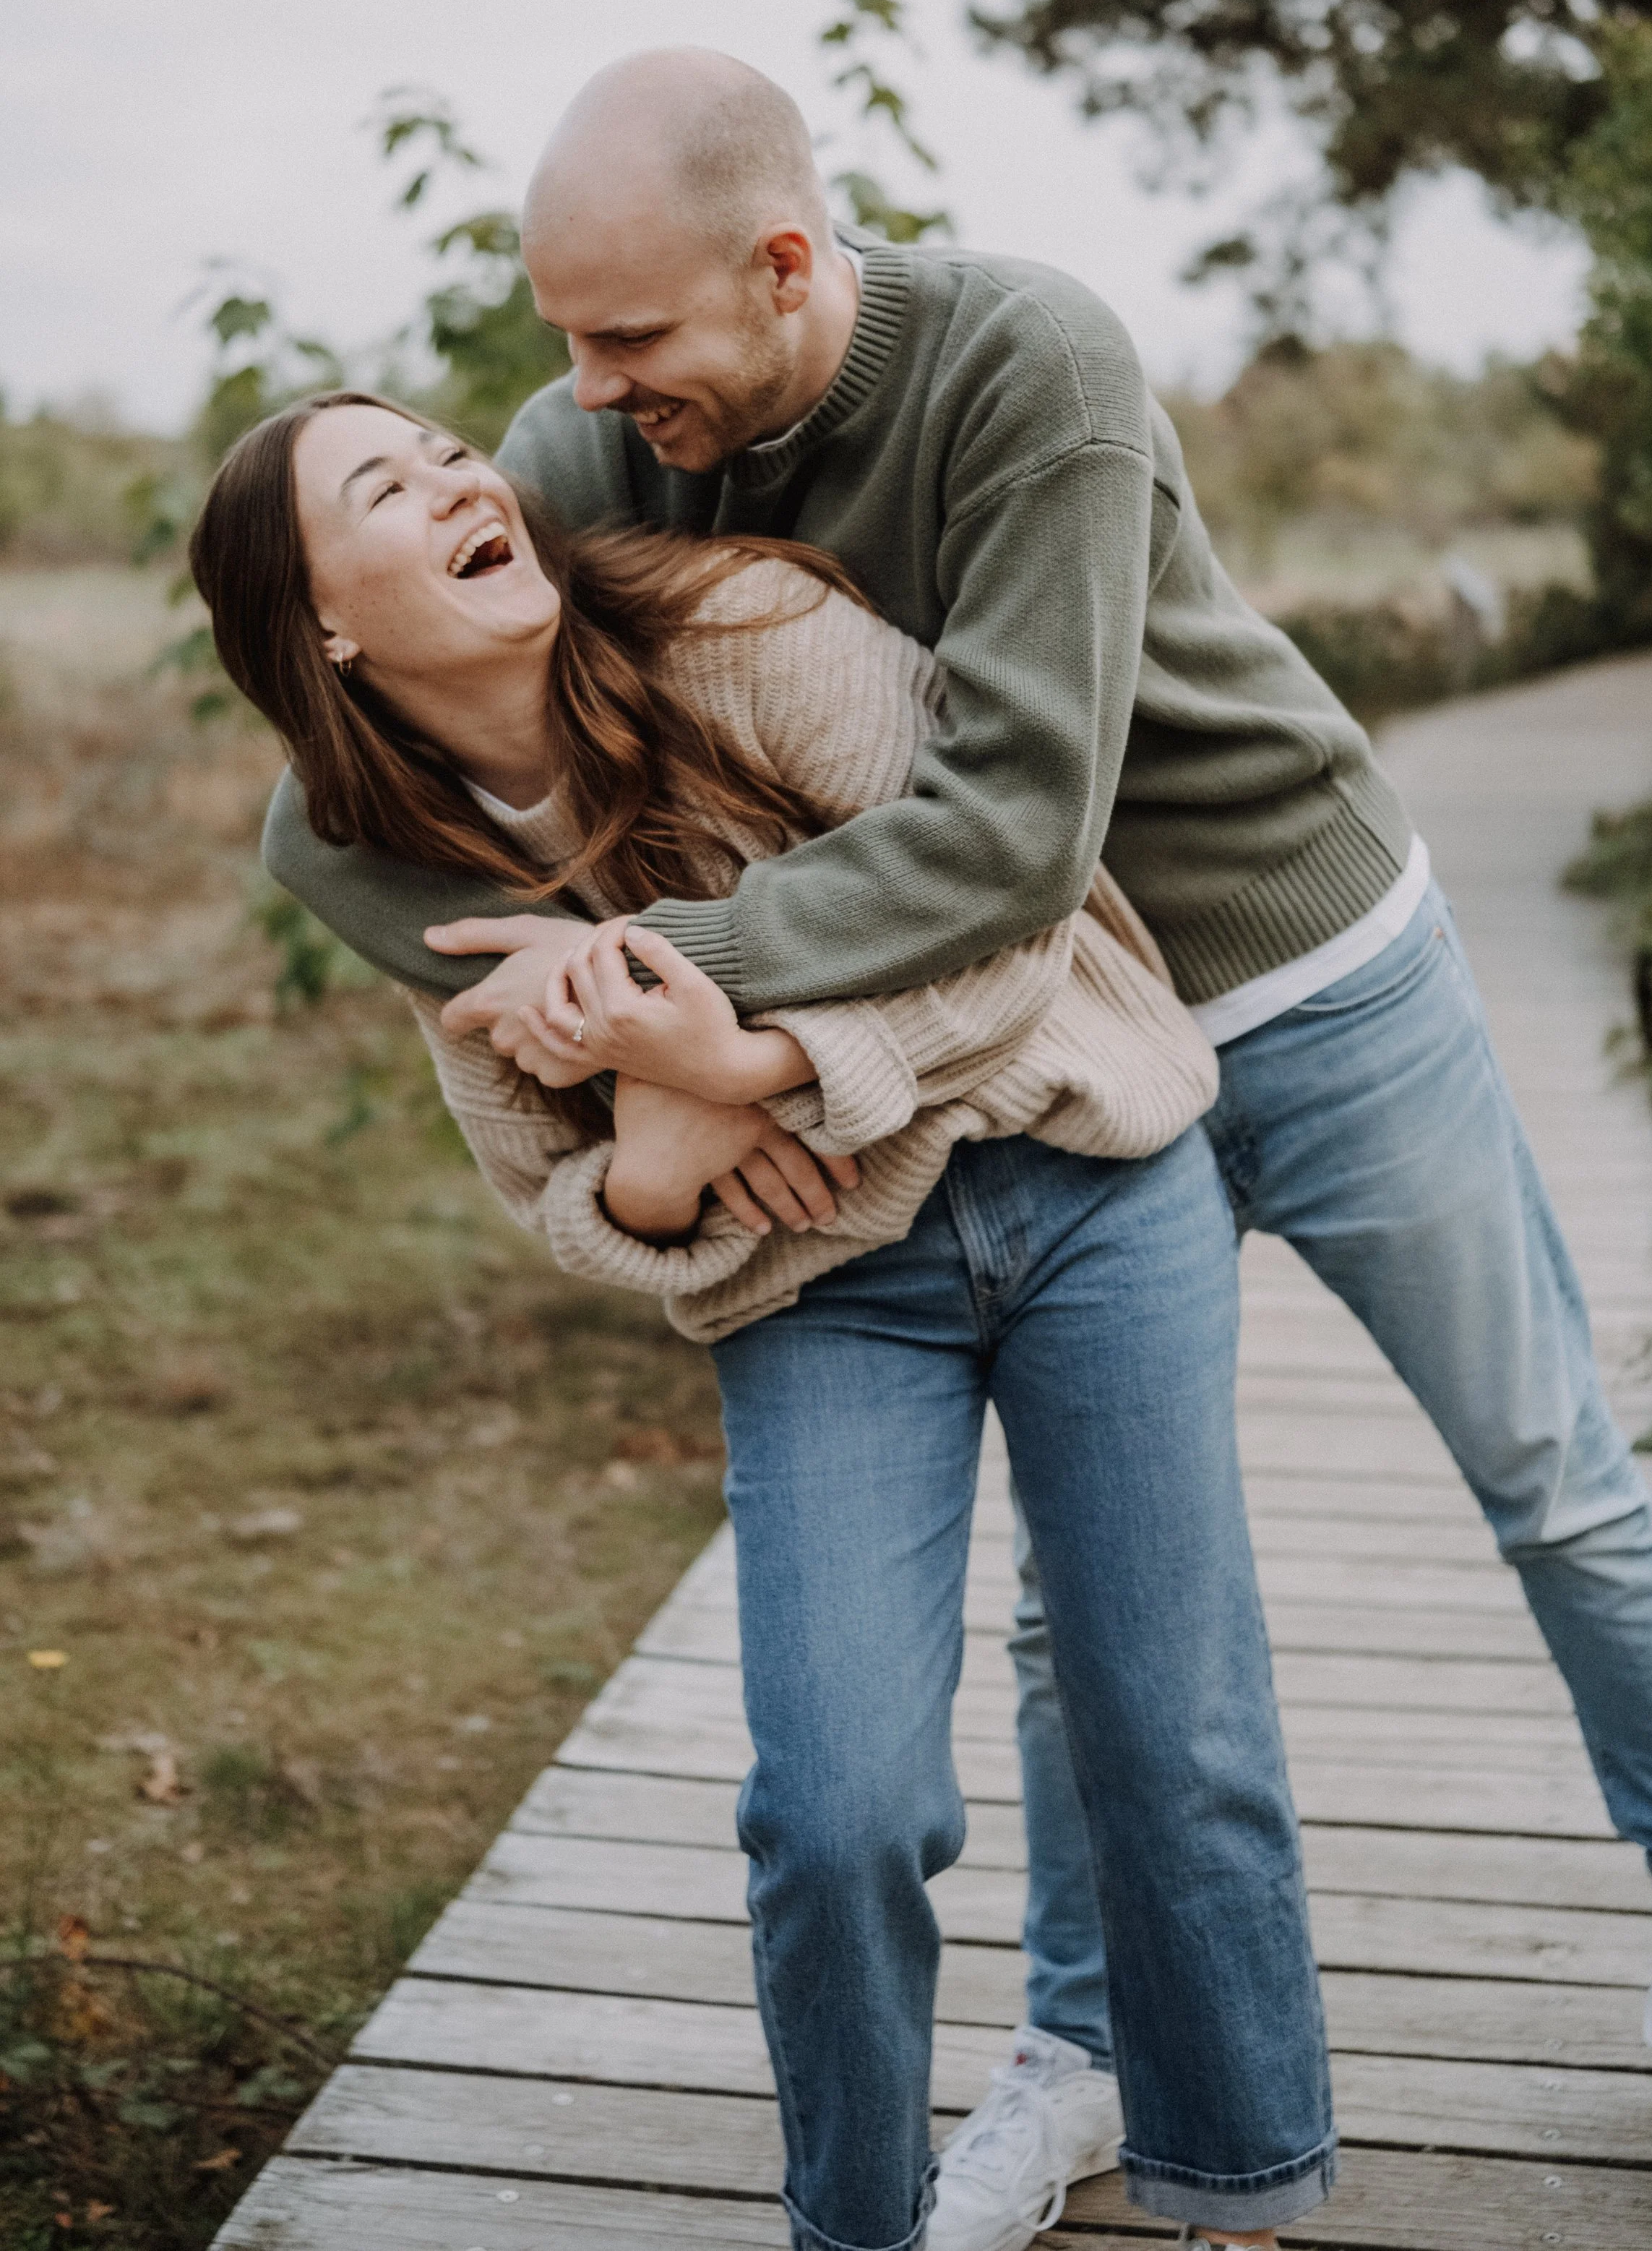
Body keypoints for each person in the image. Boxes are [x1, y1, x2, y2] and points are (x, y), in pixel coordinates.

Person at [264, 51, 1652, 2216]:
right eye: (562, 341)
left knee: (1539, 1461)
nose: (581, 397)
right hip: (1025, 1067)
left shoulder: (1024, 359)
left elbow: (1007, 834)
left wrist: (708, 1024)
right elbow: (328, 819)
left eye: (627, 340)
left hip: (1289, 969)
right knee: (1069, 1618)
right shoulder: (592, 447)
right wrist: (591, 1040)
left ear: (786, 267)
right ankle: (1078, 2044)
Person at [190, 389, 1338, 2251]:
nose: (465, 477)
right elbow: (553, 1188)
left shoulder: (746, 629)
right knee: (834, 1804)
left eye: (447, 449)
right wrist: (656, 1157)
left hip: (1084, 1176)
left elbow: (1012, 909)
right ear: (323, 625)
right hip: (820, 1288)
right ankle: (852, 2226)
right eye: (383, 492)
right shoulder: (412, 860)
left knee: (1171, 1727)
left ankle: (1240, 2189)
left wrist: (752, 1062)